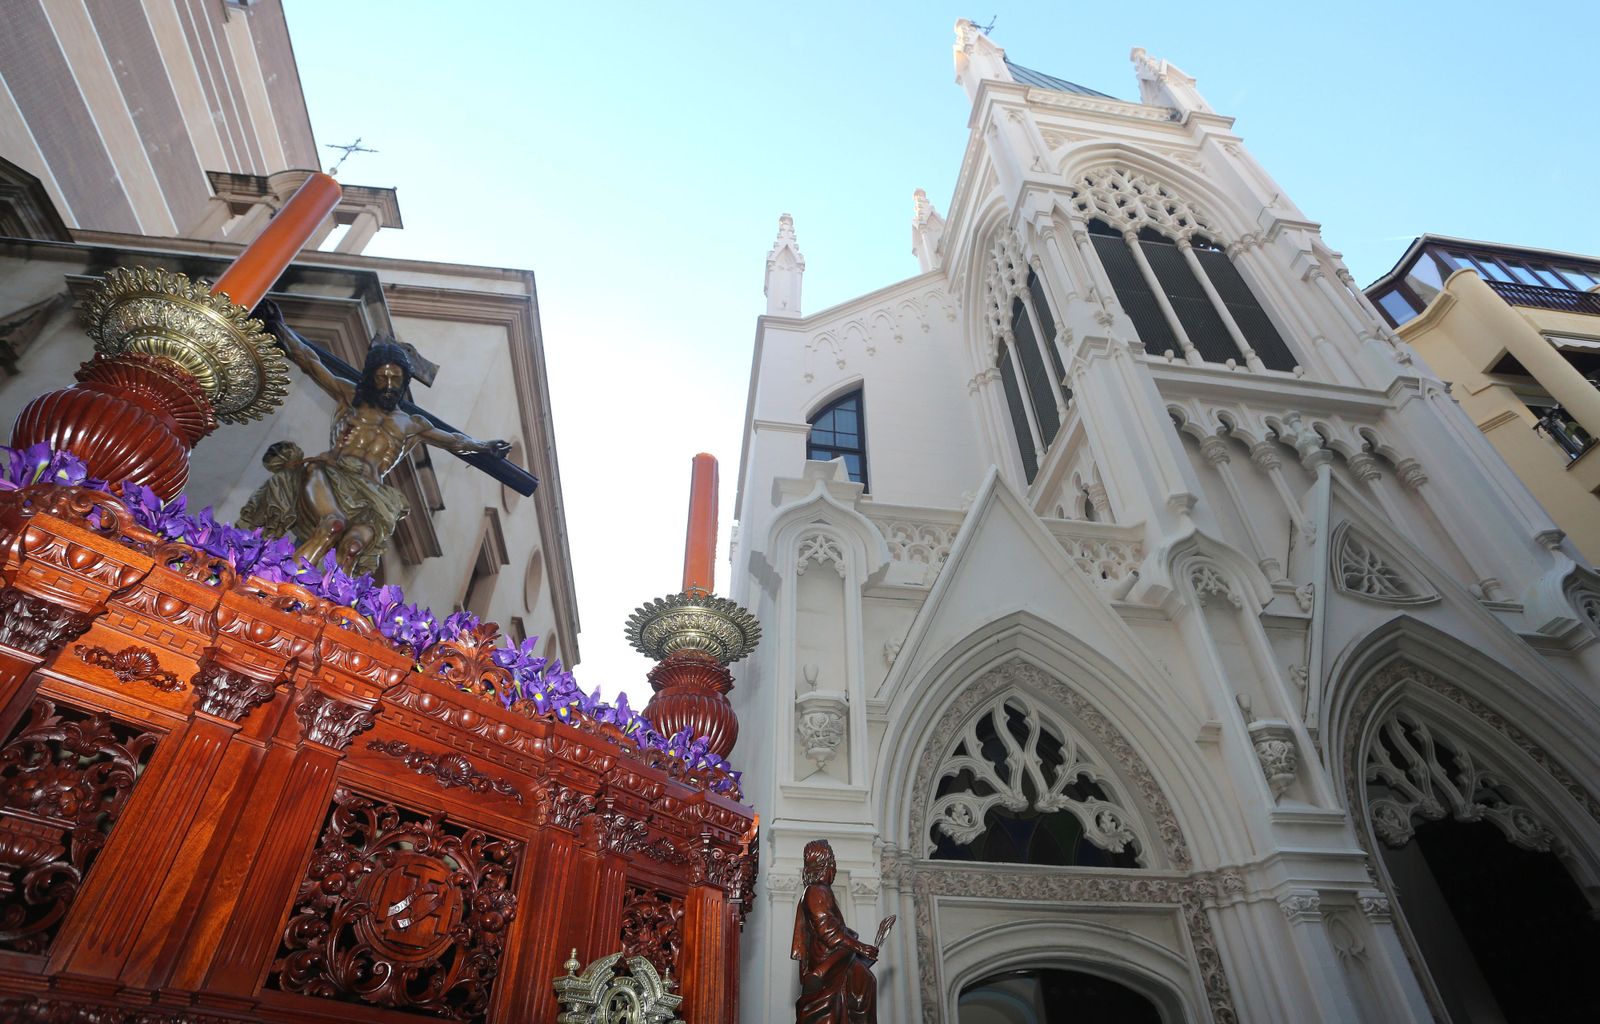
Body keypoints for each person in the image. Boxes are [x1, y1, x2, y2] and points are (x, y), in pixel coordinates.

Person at [239, 322, 508, 575]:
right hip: (331, 474)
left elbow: (455, 441)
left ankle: (323, 607)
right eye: (382, 377)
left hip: (373, 497)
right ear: (371, 377)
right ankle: (283, 585)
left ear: (405, 381)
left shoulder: (412, 424)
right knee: (332, 525)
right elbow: (309, 361)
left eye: (396, 378)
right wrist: (281, 327)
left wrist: (484, 446)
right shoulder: (349, 396)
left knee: (352, 549)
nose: (390, 385)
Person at [791, 839, 893, 1024]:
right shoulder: (816, 891)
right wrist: (860, 948)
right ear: (824, 865)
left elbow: (835, 928)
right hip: (828, 959)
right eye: (832, 862)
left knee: (864, 982)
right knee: (863, 985)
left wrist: (858, 947)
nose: (835, 867)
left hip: (836, 957)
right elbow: (828, 932)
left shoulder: (820, 891)